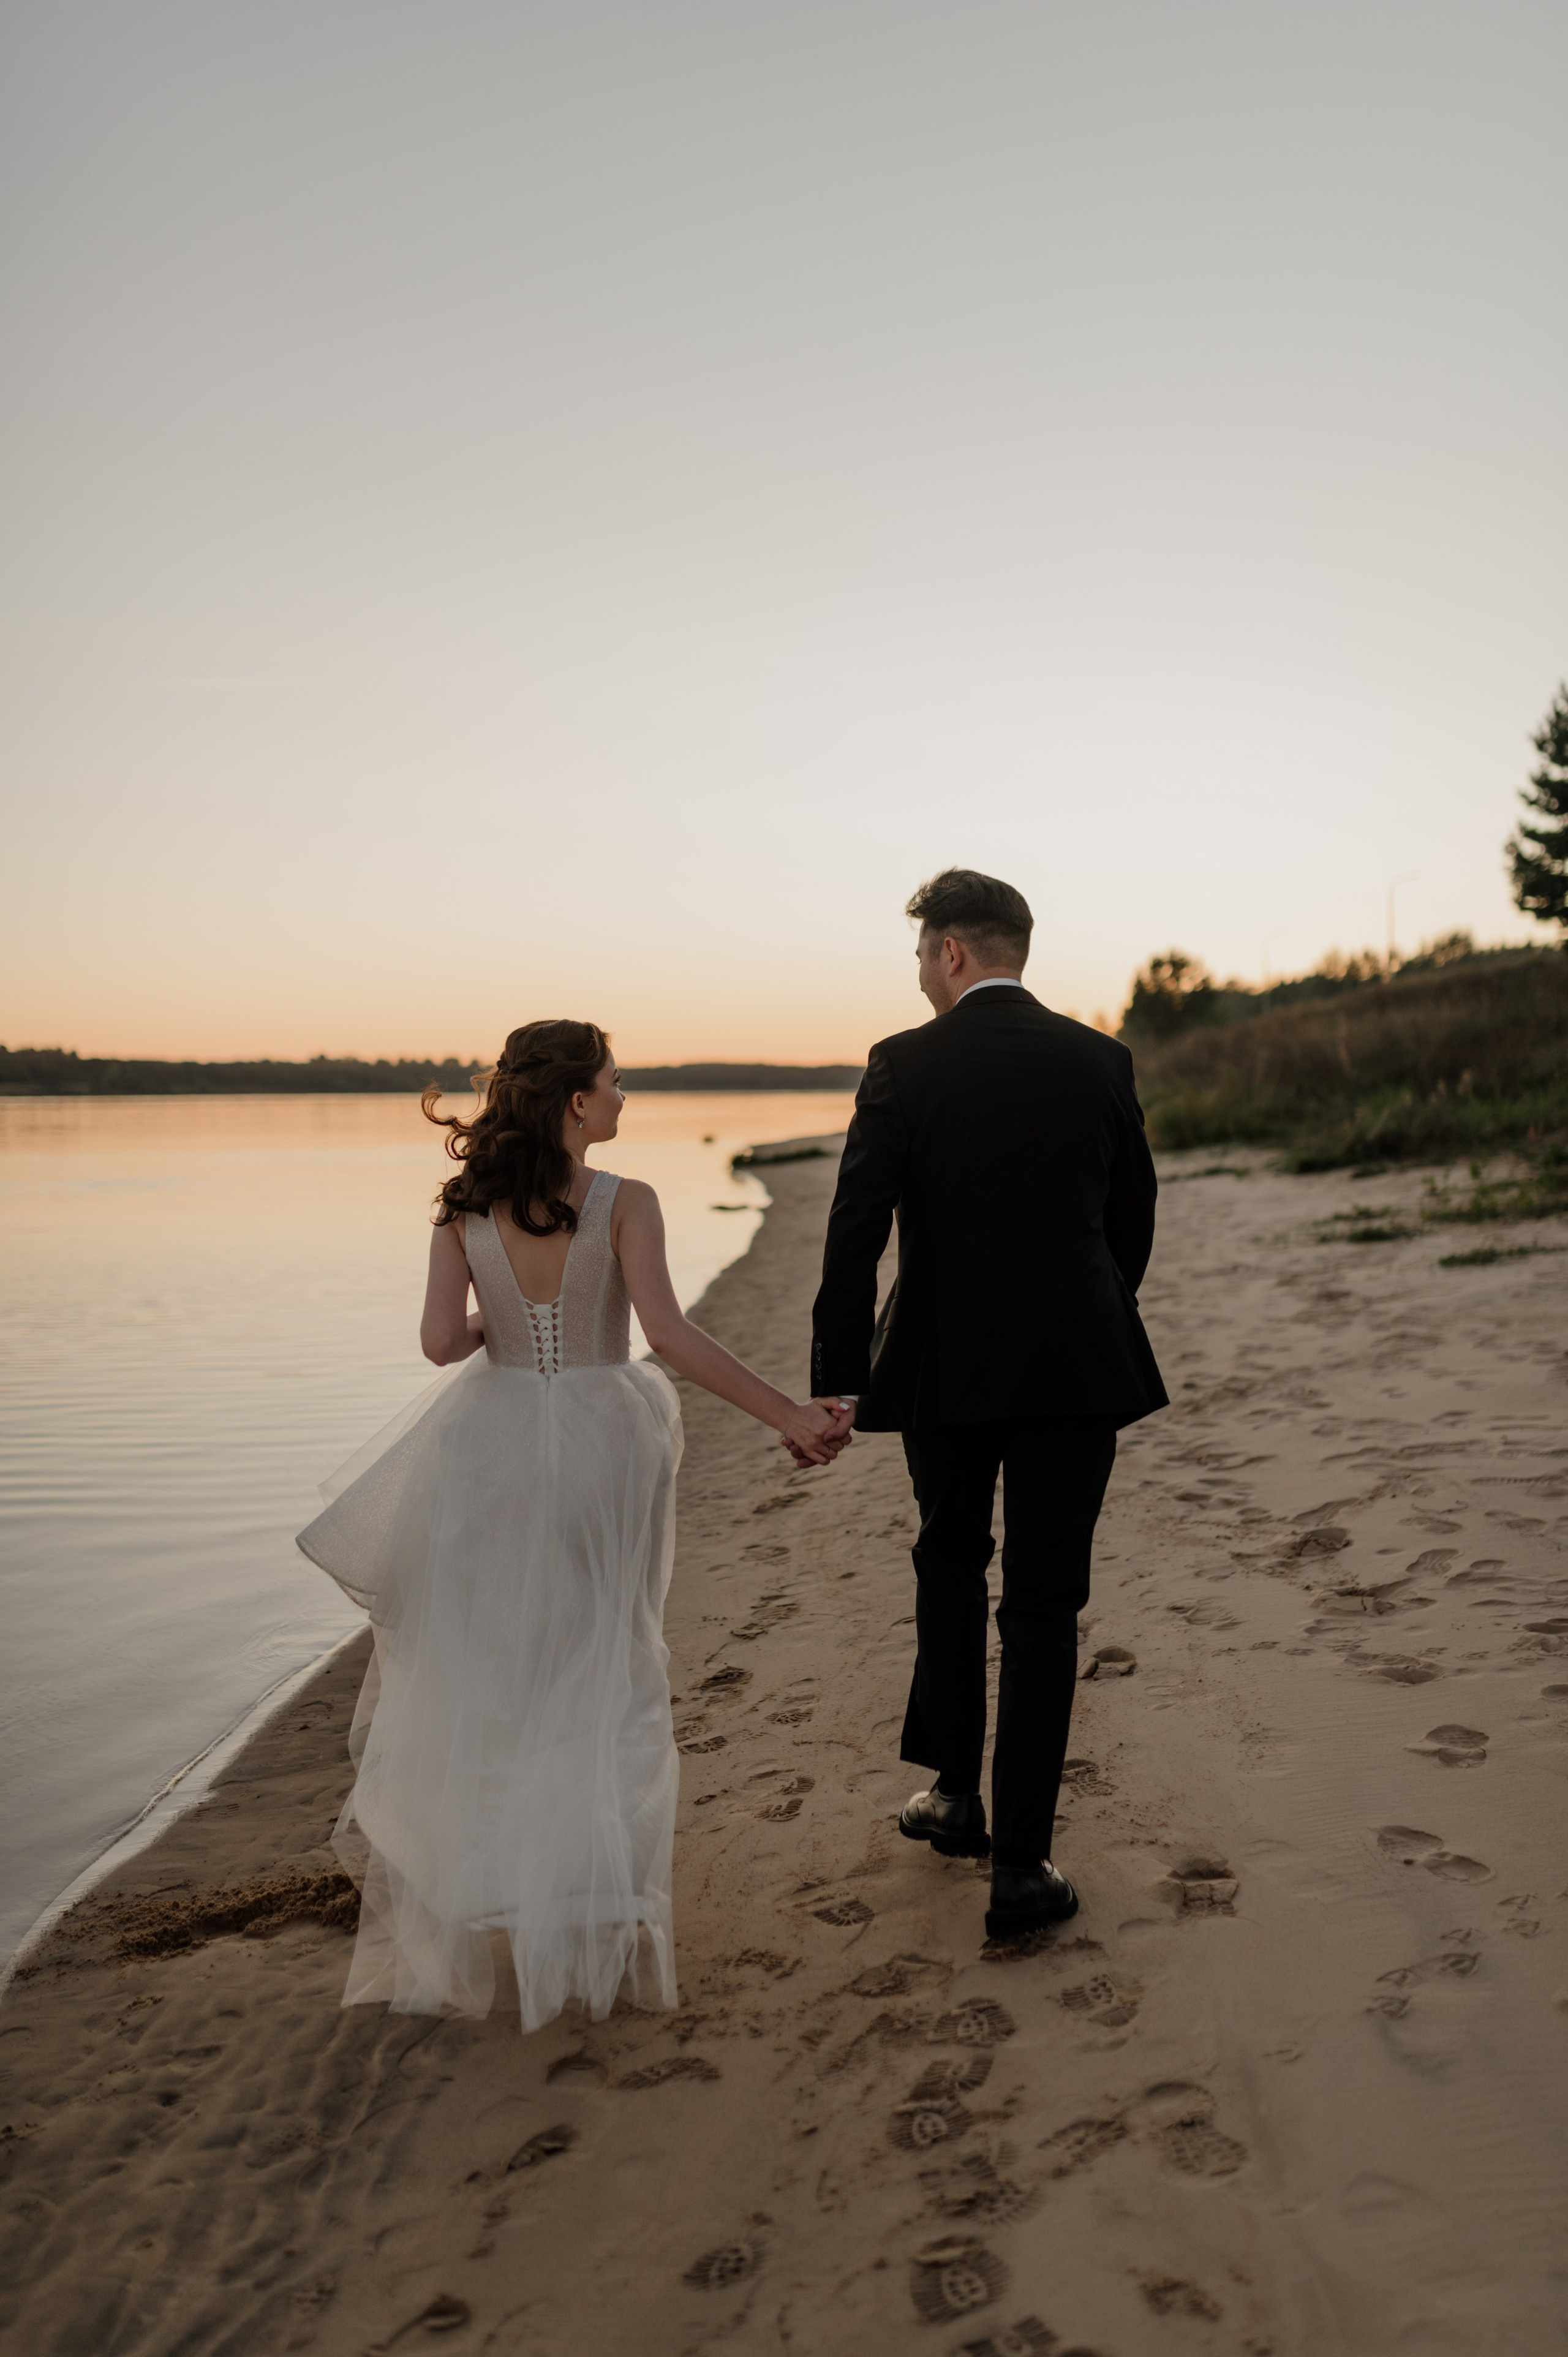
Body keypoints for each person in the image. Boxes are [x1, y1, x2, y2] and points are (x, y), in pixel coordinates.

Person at [298, 1020, 843, 2032]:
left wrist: (499, 1326)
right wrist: (790, 1416)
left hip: (490, 1444)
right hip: (604, 1436)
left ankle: (495, 1889)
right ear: (576, 1105)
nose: (625, 1098)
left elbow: (433, 1346)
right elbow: (667, 1336)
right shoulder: (625, 1202)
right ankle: (590, 1894)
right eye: (616, 1083)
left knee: (502, 1663)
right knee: (607, 1656)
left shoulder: (462, 1212)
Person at [808, 869, 1167, 1939]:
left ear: (953, 953)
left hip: (944, 1370)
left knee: (951, 1564)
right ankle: (1021, 1866)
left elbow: (855, 1228)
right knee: (1046, 1607)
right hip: (1077, 1368)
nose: (919, 974)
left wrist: (841, 1372)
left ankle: (958, 1794)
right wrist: (1093, 1313)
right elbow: (1132, 1214)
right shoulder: (1100, 1059)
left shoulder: (904, 1064)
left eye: (923, 954)